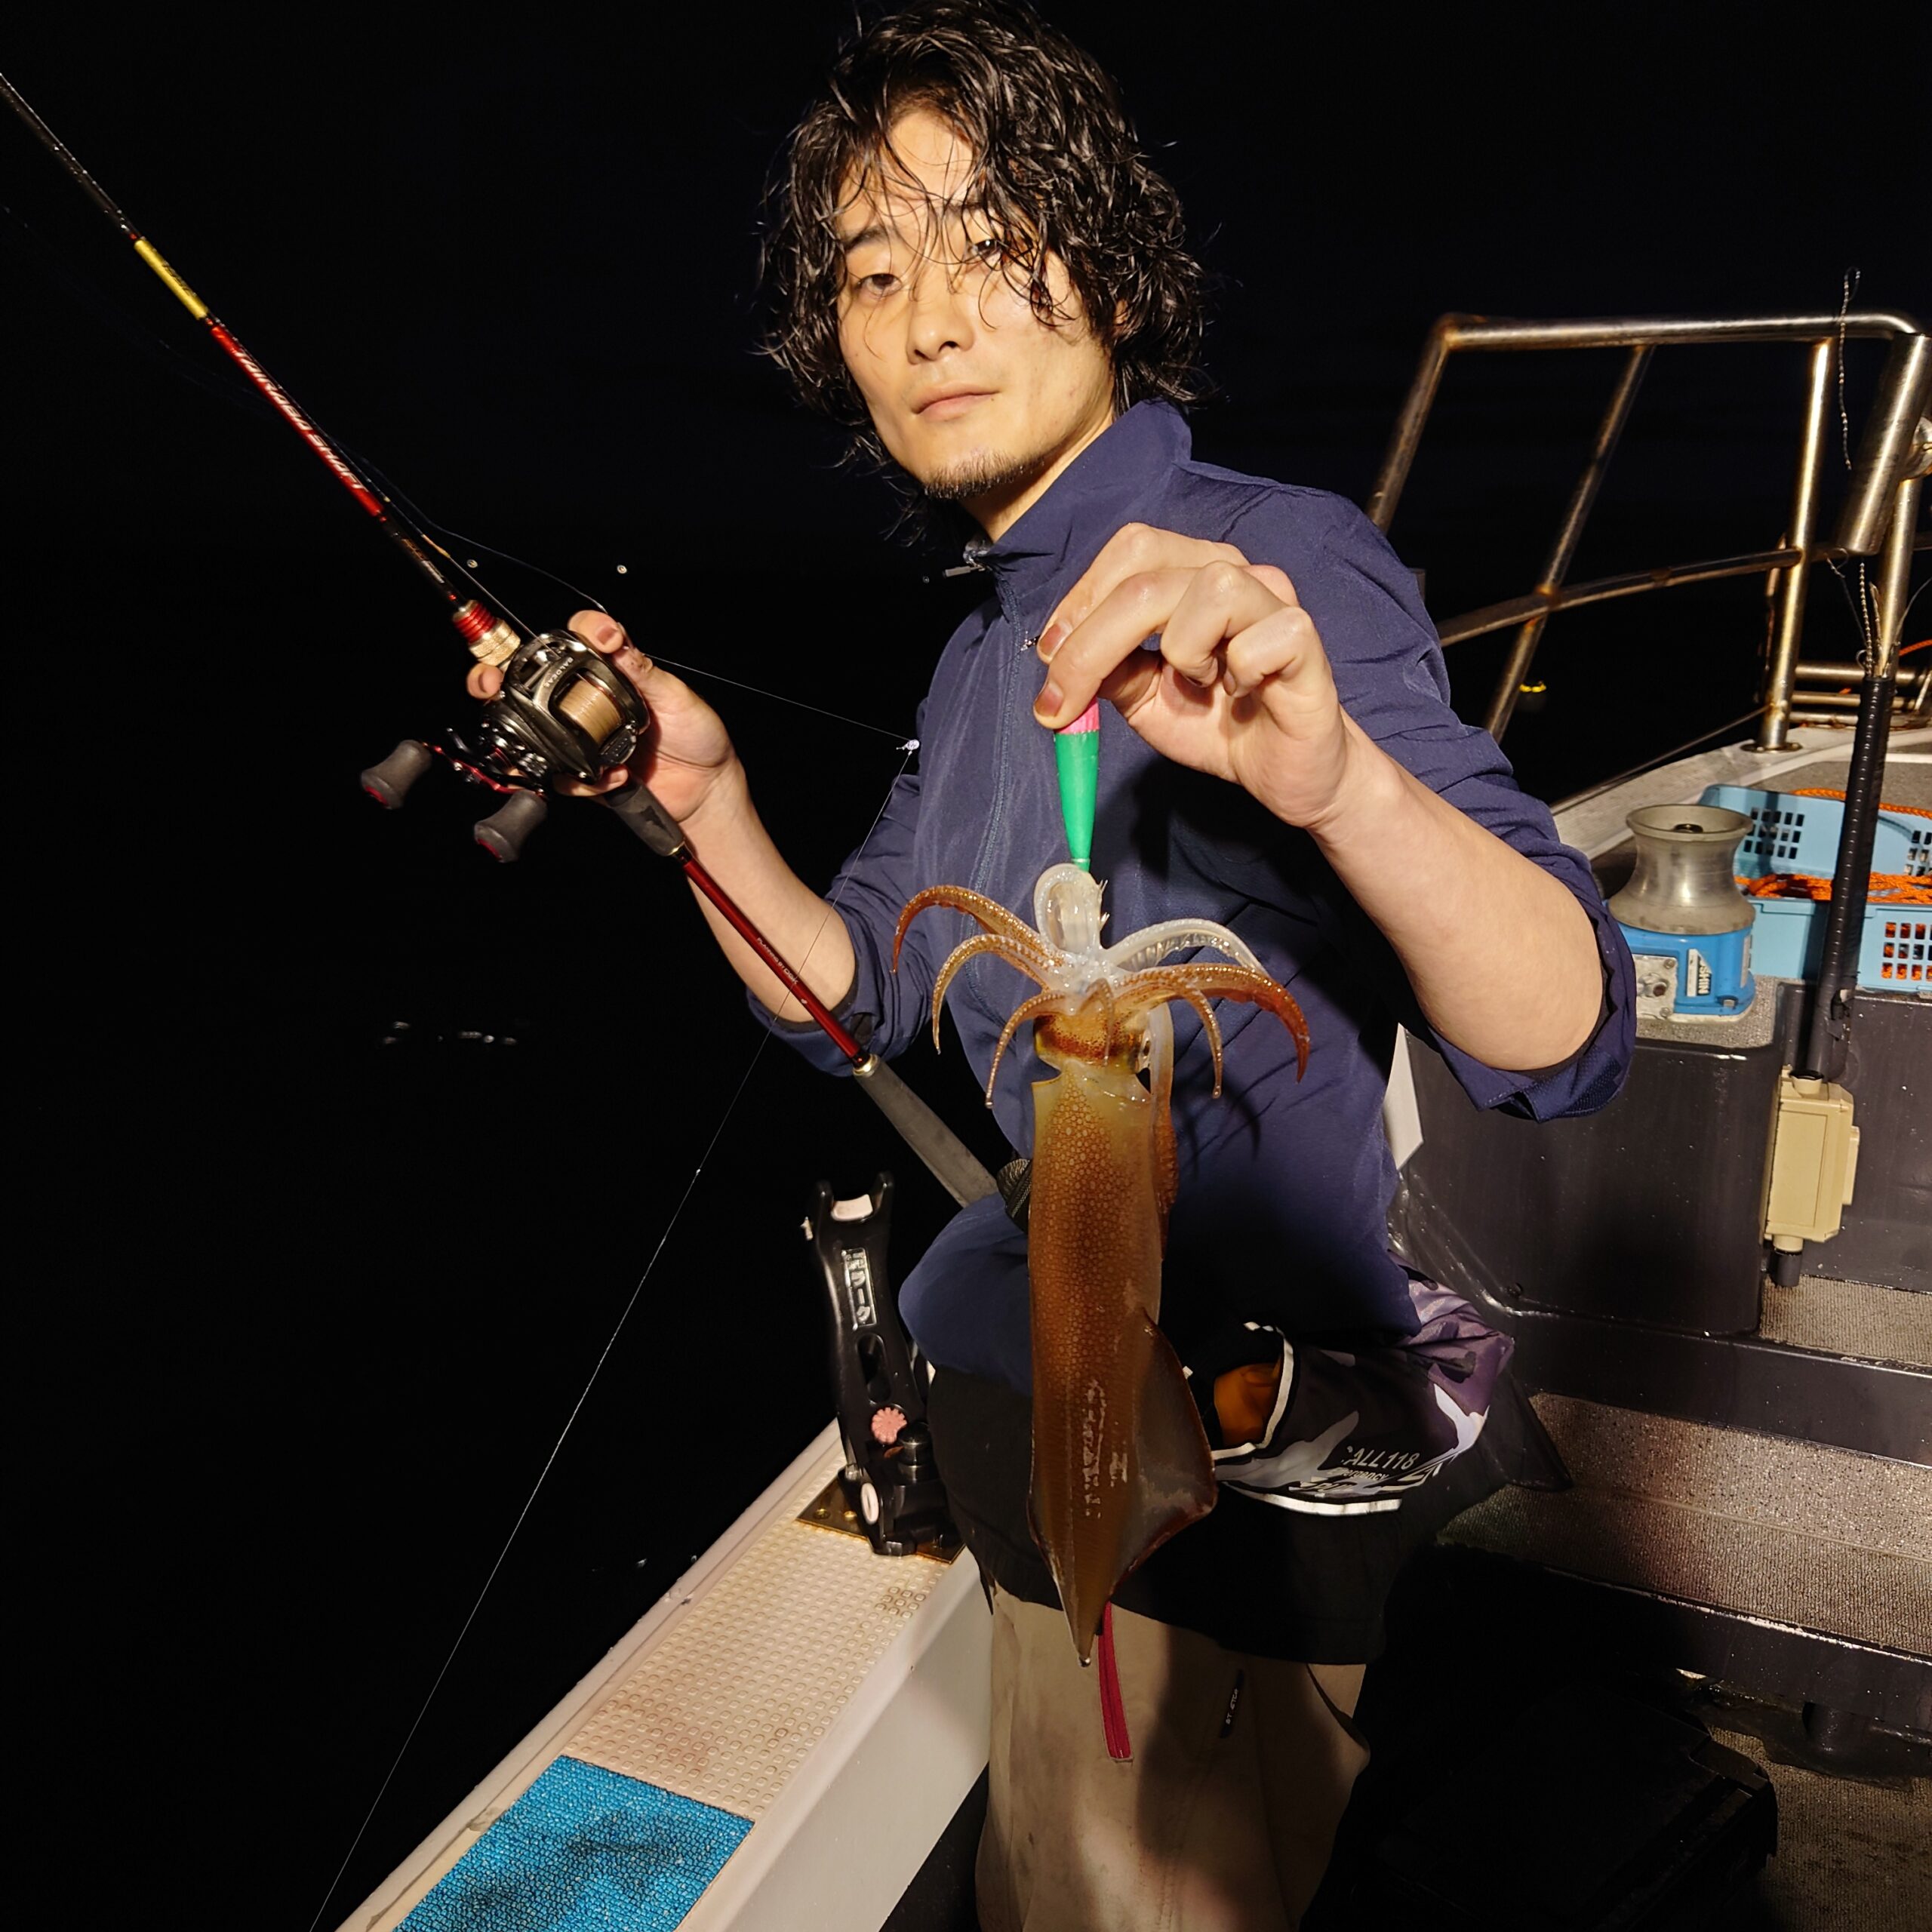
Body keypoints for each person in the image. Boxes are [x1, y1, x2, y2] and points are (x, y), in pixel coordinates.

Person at [471, 5, 1633, 1924]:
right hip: (1037, 1449)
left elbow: (1563, 1027)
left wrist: (1336, 780)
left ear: (1112, 281)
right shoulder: (975, 652)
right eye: (873, 271)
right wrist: (700, 804)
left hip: (1218, 1547)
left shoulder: (1270, 564)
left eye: (995, 244)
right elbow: (849, 993)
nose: (930, 318)